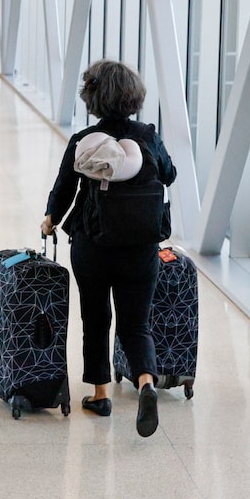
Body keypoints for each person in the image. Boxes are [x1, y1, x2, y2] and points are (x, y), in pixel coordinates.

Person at [40, 59, 176, 438]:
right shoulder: (147, 136)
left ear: (92, 98)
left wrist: (50, 218)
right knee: (136, 324)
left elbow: (64, 188)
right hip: (141, 246)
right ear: (134, 97)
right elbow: (169, 174)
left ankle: (100, 394)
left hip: (92, 244)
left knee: (96, 318)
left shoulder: (84, 140)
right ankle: (146, 382)